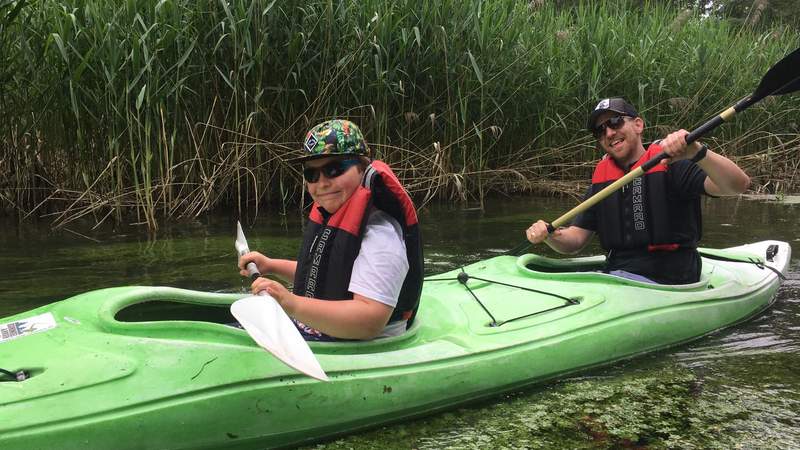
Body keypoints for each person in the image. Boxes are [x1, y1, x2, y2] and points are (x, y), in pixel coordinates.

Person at [525, 97, 751, 284]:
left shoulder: (672, 163)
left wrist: (697, 152)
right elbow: (574, 241)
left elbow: (736, 185)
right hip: (619, 276)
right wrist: (550, 235)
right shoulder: (603, 181)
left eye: (615, 122)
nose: (609, 133)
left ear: (638, 125)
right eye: (600, 130)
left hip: (672, 279)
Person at [238, 119, 423, 341]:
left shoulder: (381, 236)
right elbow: (323, 273)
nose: (322, 183)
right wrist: (270, 265)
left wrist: (291, 303)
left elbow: (369, 321)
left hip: (361, 348)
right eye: (311, 175)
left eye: (334, 170)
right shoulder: (336, 215)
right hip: (319, 333)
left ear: (362, 169)